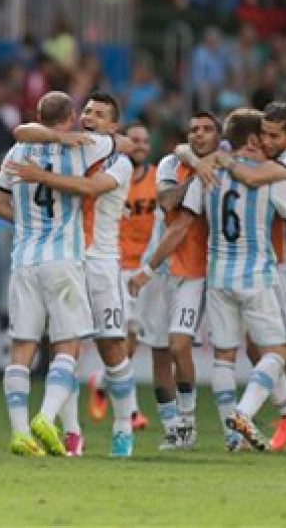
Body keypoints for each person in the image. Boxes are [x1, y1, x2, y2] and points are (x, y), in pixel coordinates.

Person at [134, 108, 286, 452]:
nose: (267, 141)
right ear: (252, 138)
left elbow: (183, 219)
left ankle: (234, 438)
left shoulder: (209, 174)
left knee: (224, 357)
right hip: (256, 272)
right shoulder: (272, 176)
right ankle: (244, 415)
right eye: (263, 136)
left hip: (217, 275)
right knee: (276, 351)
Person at [0, 91, 130, 457]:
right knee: (67, 345)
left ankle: (20, 432)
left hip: (23, 258)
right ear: (71, 116)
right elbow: (126, 144)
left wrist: (32, 225)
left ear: (38, 114)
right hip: (63, 258)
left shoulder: (16, 153)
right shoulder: (84, 147)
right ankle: (47, 416)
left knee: (22, 347)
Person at [129, 112, 221, 451]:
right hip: (159, 269)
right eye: (193, 129)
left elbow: (181, 224)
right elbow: (167, 201)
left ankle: (188, 422)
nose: (198, 134)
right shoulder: (171, 162)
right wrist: (197, 171)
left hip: (193, 272)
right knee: (158, 351)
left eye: (207, 129)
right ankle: (172, 428)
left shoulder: (226, 165)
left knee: (179, 345)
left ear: (219, 136)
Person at [87, 122, 154, 431]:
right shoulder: (113, 175)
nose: (139, 145)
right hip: (115, 264)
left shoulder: (156, 179)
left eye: (144, 141)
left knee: (132, 338)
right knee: (120, 334)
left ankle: (100, 382)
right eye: (134, 139)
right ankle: (131, 412)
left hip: (145, 269)